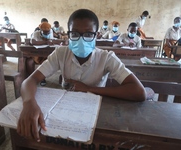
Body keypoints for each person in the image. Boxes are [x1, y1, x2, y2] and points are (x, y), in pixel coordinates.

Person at [17, 9, 146, 142]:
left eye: (89, 34)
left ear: (96, 35)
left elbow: (139, 92)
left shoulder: (106, 58)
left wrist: (88, 89)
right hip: (65, 110)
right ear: (69, 34)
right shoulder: (61, 54)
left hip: (95, 112)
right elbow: (30, 80)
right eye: (75, 34)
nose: (81, 39)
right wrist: (29, 103)